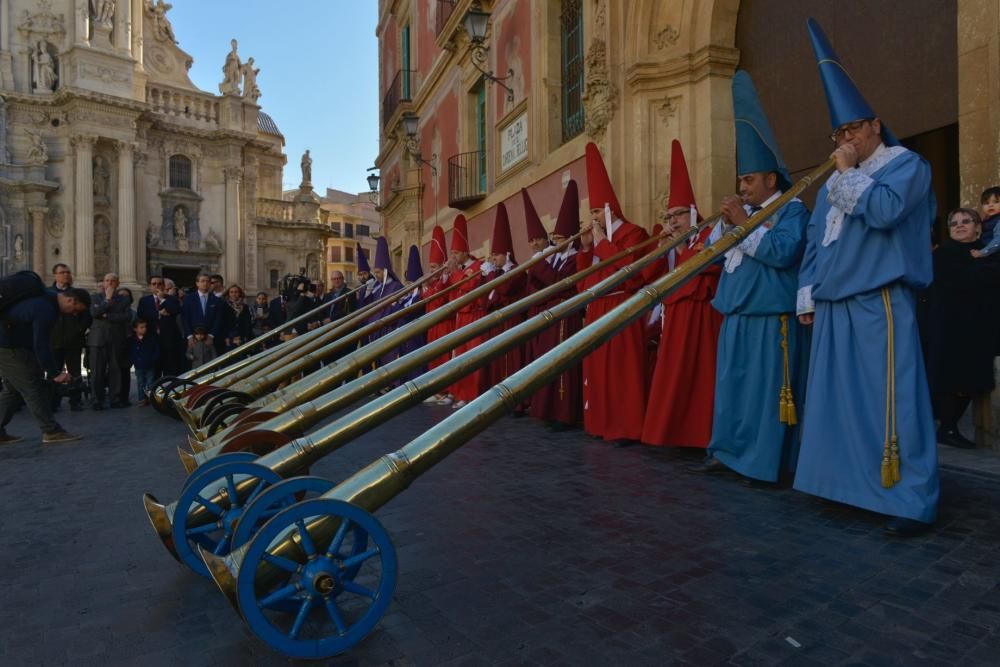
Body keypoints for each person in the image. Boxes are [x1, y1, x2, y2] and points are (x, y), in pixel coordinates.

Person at [794, 19, 939, 536]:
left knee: (889, 399)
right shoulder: (835, 183)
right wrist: (806, 295)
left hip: (879, 298)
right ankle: (849, 487)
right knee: (839, 403)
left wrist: (849, 172)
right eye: (838, 132)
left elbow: (884, 212)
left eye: (853, 128)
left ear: (875, 125)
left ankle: (906, 498)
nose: (845, 138)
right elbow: (815, 240)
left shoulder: (907, 166)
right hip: (833, 302)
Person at [689, 72, 811, 483]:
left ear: (771, 179)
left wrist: (742, 224)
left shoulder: (792, 209)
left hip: (769, 319)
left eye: (749, 179)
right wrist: (727, 228)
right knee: (732, 392)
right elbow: (713, 258)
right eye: (741, 180)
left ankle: (762, 461)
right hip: (735, 315)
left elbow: (782, 253)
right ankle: (727, 451)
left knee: (764, 395)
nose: (742, 187)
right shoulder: (742, 214)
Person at [641, 140, 723, 450]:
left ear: (691, 212)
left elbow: (709, 267)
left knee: (699, 378)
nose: (672, 221)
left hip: (700, 318)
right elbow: (648, 277)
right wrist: (663, 249)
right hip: (674, 318)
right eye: (668, 215)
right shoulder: (674, 241)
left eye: (677, 214)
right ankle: (671, 433)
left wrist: (682, 251)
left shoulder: (707, 234)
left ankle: (699, 436)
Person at [576, 142, 649, 444]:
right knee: (599, 370)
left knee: (621, 370)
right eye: (590, 211)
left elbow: (630, 271)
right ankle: (600, 423)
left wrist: (603, 242)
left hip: (620, 307)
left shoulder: (634, 233)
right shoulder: (596, 239)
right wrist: (584, 249)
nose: (592, 217)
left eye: (596, 210)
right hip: (597, 308)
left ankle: (626, 427)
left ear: (609, 209)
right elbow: (583, 283)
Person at [921, 208, 1000, 448]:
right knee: (951, 378)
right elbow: (962, 281)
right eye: (954, 223)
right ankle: (948, 427)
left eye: (966, 221)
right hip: (950, 326)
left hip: (979, 325)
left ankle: (949, 428)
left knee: (973, 379)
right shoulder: (944, 254)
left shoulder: (989, 252)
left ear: (978, 227)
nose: (959, 226)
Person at [525, 182, 583, 430]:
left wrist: (540, 264)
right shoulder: (556, 259)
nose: (557, 243)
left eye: (561, 239)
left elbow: (559, 284)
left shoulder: (575, 258)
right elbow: (539, 286)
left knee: (562, 366)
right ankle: (547, 409)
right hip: (551, 314)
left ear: (571, 239)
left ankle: (564, 413)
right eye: (555, 239)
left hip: (566, 316)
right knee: (546, 362)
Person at [0, 287, 90, 444]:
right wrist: (54, 373)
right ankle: (51, 430)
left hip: (11, 344)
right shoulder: (47, 309)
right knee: (32, 388)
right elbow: (41, 343)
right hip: (7, 346)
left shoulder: (46, 296)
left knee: (13, 390)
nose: (74, 314)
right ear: (70, 300)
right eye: (75, 310)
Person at [482, 203, 526, 392]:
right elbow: (486, 296)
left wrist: (492, 275)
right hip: (496, 322)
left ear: (507, 255)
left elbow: (505, 288)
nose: (494, 259)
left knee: (511, 359)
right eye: (492, 255)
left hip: (511, 321)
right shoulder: (497, 272)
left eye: (498, 255)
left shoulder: (515, 271)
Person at [445, 214, 486, 409]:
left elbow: (468, 284)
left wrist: (453, 274)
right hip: (460, 316)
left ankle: (472, 395)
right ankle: (459, 392)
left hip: (474, 315)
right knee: (459, 356)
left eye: (455, 253)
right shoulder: (461, 269)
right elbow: (453, 292)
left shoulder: (476, 267)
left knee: (472, 356)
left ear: (463, 252)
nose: (452, 257)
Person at [48, 263, 90, 411]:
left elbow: (86, 315)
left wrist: (79, 329)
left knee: (75, 372)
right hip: (54, 340)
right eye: (62, 272)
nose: (66, 274)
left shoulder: (77, 293)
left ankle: (75, 400)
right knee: (54, 372)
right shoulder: (48, 293)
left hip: (74, 340)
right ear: (55, 275)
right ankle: (53, 400)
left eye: (68, 272)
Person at [88, 273, 133, 410]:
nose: (110, 283)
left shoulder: (124, 299)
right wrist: (107, 300)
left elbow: (126, 317)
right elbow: (94, 313)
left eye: (113, 281)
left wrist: (107, 315)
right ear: (103, 283)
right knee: (97, 371)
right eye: (107, 280)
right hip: (97, 339)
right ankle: (97, 399)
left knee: (116, 370)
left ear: (117, 284)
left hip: (116, 339)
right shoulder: (95, 297)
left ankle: (115, 398)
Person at [421, 225, 454, 404]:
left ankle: (446, 390)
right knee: (433, 358)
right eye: (431, 268)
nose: (432, 271)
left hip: (444, 324)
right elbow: (425, 299)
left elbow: (440, 299)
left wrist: (435, 284)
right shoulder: (433, 283)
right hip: (432, 325)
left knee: (444, 358)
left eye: (434, 267)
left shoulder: (445, 281)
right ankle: (436, 388)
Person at [364, 236, 406, 367]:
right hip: (377, 333)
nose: (376, 275)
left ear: (386, 271)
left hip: (390, 331)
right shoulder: (376, 289)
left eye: (378, 272)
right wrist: (367, 293)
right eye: (375, 272)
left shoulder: (396, 287)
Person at [136, 275, 183, 378]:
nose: (157, 286)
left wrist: (162, 300)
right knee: (154, 372)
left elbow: (176, 310)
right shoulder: (144, 300)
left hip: (169, 340)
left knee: (170, 370)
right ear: (150, 286)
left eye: (160, 284)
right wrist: (158, 314)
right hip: (152, 339)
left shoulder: (171, 299)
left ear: (163, 285)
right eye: (154, 284)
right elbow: (142, 314)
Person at [181, 273, 221, 352]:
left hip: (210, 339)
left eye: (207, 281)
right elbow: (185, 319)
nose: (205, 283)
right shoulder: (188, 299)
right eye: (202, 281)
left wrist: (211, 335)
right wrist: (189, 336)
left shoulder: (217, 300)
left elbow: (218, 319)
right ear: (197, 283)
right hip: (193, 338)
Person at [129, 319, 161, 406]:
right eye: (141, 327)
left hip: (150, 365)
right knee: (140, 382)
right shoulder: (132, 340)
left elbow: (156, 350)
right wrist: (134, 361)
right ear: (135, 329)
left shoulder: (150, 338)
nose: (144, 329)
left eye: (145, 327)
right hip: (138, 366)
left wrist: (153, 359)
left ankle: (150, 398)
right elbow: (130, 353)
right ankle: (142, 399)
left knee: (150, 382)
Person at [218, 284, 253, 352]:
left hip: (242, 336)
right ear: (228, 293)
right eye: (231, 292)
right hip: (228, 337)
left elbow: (247, 322)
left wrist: (246, 336)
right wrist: (226, 337)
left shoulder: (245, 307)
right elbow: (222, 322)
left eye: (236, 292)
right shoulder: (224, 305)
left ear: (240, 293)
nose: (234, 294)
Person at [968, 187, 1000, 258]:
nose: (990, 205)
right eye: (986, 203)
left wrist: (982, 252)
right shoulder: (989, 219)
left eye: (996, 202)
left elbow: (998, 241)